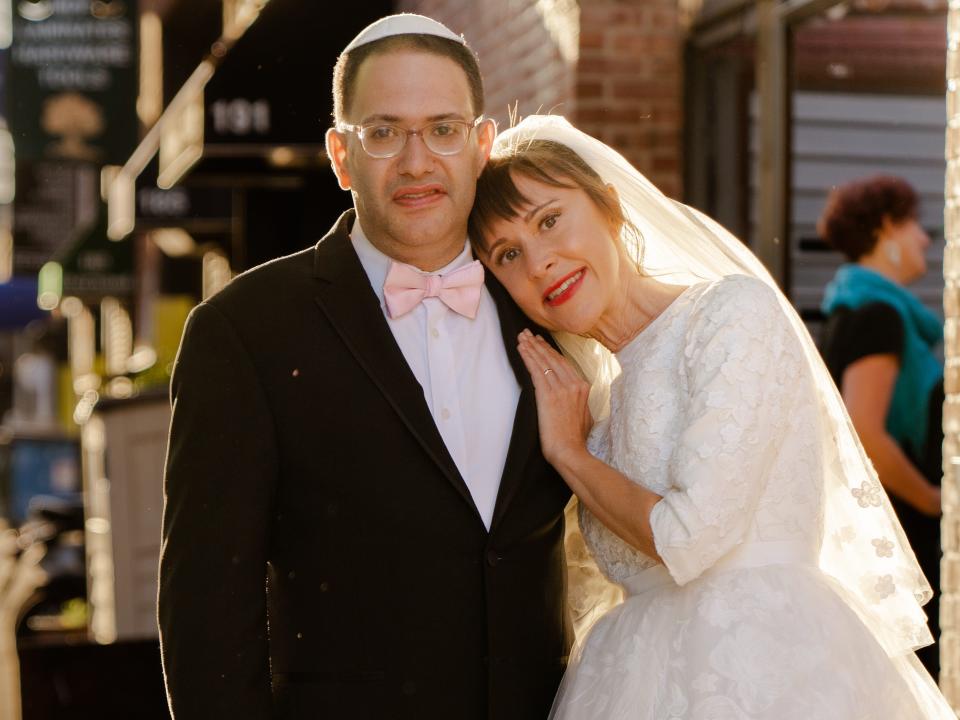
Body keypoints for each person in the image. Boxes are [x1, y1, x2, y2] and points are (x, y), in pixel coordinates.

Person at [468, 115, 955, 719]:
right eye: (508, 253)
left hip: (766, 671)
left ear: (611, 208)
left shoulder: (728, 315)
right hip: (627, 683)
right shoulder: (591, 397)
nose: (539, 261)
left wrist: (570, 454)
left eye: (549, 220)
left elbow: (687, 540)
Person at [158, 16, 572, 720]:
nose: (416, 162)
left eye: (443, 129)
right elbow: (206, 613)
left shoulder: (549, 308)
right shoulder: (243, 332)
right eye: (384, 133)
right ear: (342, 156)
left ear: (480, 147)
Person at [818, 175, 943, 676]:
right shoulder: (877, 316)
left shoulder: (856, 308)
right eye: (916, 224)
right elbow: (865, 434)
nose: (926, 239)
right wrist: (936, 502)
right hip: (904, 530)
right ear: (888, 227)